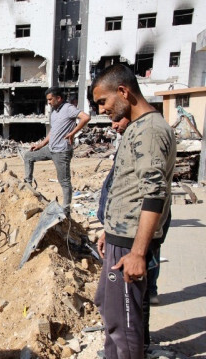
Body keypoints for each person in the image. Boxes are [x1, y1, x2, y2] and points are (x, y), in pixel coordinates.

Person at [91, 64, 176, 358]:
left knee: (125, 328)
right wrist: (109, 231)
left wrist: (138, 252)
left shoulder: (150, 131)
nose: (101, 110)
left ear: (124, 92)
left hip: (130, 246)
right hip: (120, 239)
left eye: (103, 101)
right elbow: (128, 188)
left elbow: (154, 195)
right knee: (110, 311)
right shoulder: (137, 128)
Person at [23, 87, 91, 215]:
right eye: (47, 100)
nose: (48, 102)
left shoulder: (68, 108)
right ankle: (28, 186)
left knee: (64, 181)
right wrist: (41, 144)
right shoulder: (54, 112)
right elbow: (53, 132)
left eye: (50, 99)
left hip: (61, 152)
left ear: (58, 98)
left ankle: (66, 209)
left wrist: (72, 133)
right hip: (50, 149)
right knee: (28, 156)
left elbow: (86, 118)